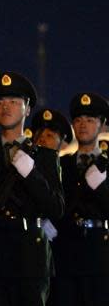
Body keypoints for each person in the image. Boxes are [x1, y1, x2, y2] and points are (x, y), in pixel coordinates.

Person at [0, 72, 64, 306]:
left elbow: (56, 207)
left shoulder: (46, 157)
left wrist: (31, 173)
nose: (5, 107)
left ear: (27, 109)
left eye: (13, 102)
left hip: (31, 256)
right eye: (0, 102)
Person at [50, 93, 109, 306]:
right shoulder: (60, 164)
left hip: (101, 252)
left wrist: (101, 188)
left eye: (90, 120)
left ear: (102, 126)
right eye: (78, 120)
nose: (83, 125)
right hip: (67, 249)